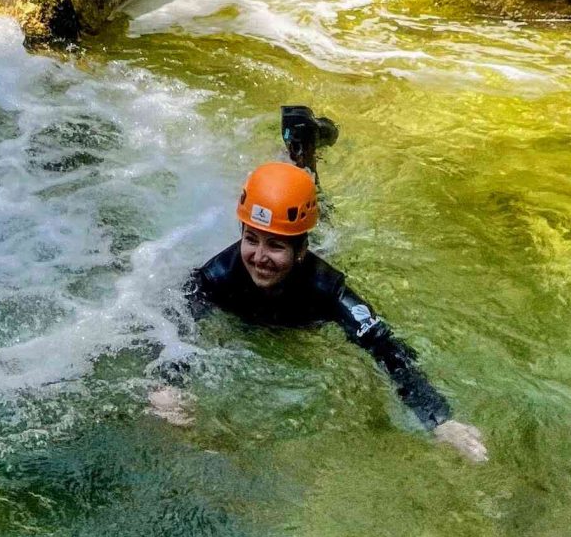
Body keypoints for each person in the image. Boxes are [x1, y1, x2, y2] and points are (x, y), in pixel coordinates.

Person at [148, 160, 489, 461]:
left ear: (300, 251)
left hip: (301, 305)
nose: (259, 257)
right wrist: (168, 384)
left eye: (276, 245)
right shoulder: (218, 276)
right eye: (251, 239)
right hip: (260, 318)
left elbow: (386, 348)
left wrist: (440, 419)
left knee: (329, 221)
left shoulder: (327, 290)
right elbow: (174, 322)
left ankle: (305, 155)